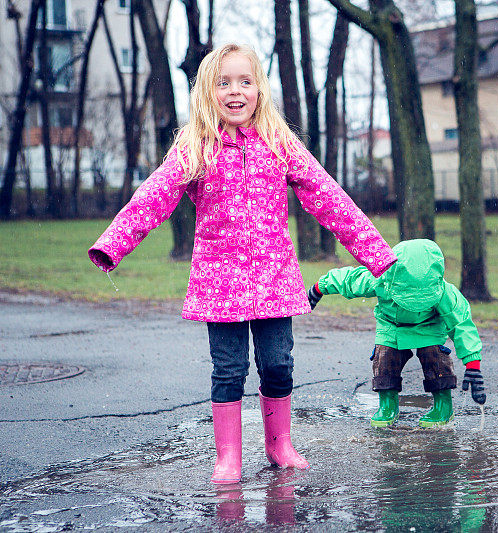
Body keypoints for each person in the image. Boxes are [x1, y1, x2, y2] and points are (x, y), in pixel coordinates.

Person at [87, 43, 396, 483]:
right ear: (207, 92)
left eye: (245, 82)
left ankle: (279, 444)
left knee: (278, 364)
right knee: (229, 370)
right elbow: (153, 197)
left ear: (259, 90)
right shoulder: (195, 146)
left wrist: (376, 253)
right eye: (223, 83)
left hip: (274, 279)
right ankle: (228, 456)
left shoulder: (279, 143)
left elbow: (329, 198)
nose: (235, 92)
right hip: (219, 282)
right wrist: (112, 245)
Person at [307, 239, 486, 428]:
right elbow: (350, 280)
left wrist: (473, 365)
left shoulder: (444, 292)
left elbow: (461, 324)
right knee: (384, 357)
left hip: (429, 326)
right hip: (391, 326)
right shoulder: (382, 279)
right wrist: (320, 287)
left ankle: (443, 404)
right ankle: (388, 404)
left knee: (435, 356)